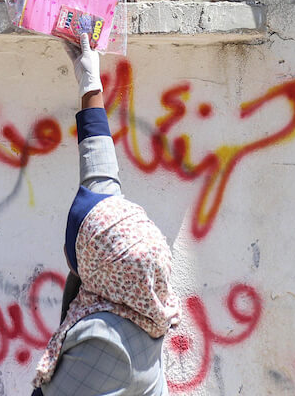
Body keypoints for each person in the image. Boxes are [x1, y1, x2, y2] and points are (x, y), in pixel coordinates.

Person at [32, 34, 180, 396]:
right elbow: (100, 174)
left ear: (103, 265)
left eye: (81, 246)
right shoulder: (140, 296)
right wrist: (89, 80)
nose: (71, 251)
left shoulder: (104, 339)